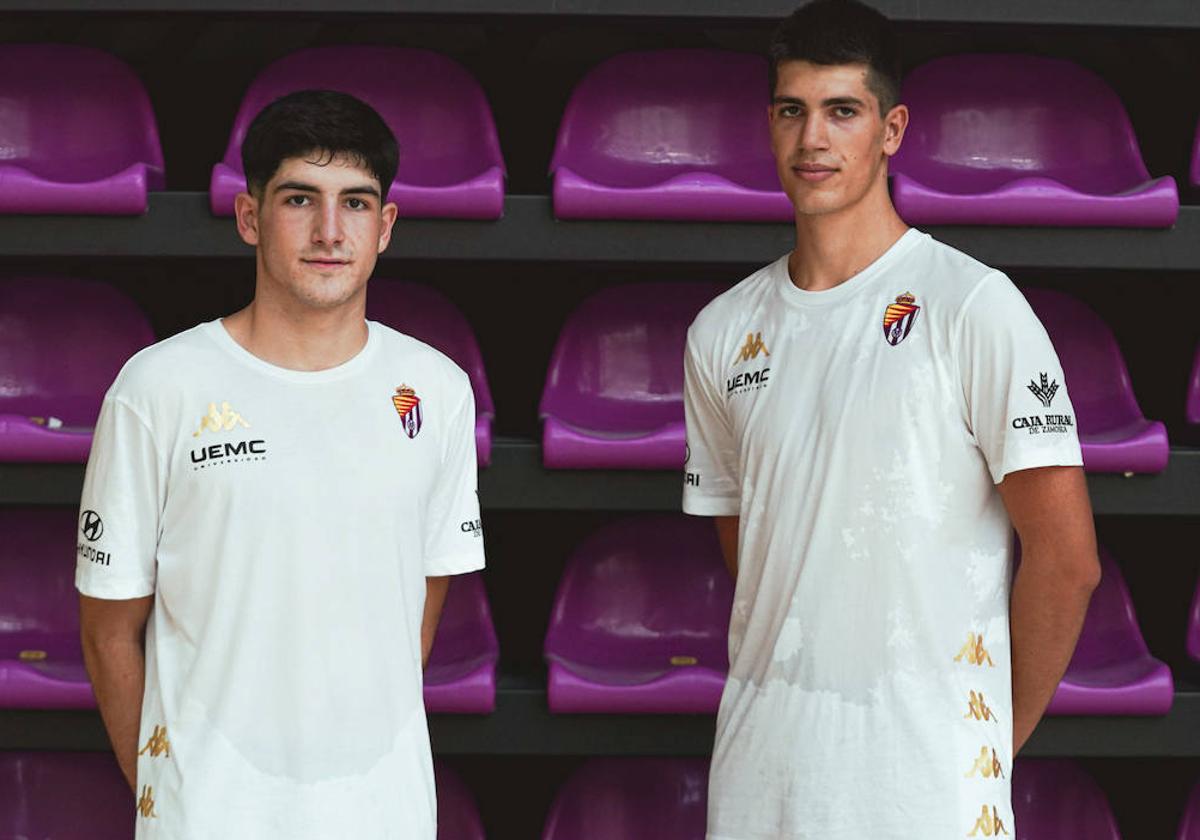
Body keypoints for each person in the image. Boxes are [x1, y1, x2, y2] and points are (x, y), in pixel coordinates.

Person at [681, 1, 1100, 837]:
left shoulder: (972, 305)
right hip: (760, 781)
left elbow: (1067, 560)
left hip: (927, 791)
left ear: (892, 127)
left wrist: (982, 743)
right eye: (792, 110)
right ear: (768, 124)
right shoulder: (722, 332)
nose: (813, 141)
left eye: (843, 111)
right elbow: (760, 554)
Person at [76, 90, 485, 839]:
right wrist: (172, 792)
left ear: (386, 227)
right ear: (249, 216)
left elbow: (413, 617)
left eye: (356, 204)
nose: (331, 231)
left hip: (383, 818)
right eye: (301, 198)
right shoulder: (157, 389)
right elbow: (108, 628)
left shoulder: (437, 392)